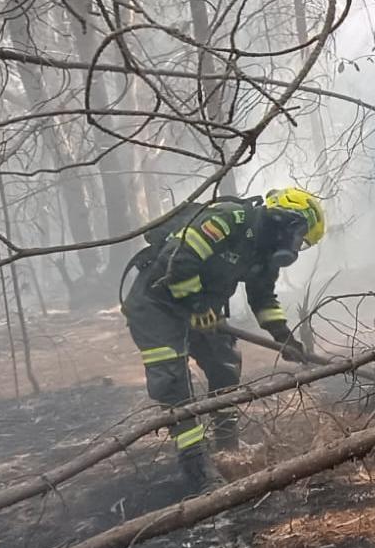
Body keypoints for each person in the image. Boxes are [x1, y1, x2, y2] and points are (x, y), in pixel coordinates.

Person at [122, 187, 326, 492]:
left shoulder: (265, 248)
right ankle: (197, 467)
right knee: (173, 382)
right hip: (156, 305)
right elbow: (178, 260)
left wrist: (283, 336)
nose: (297, 248)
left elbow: (262, 296)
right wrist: (198, 306)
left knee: (225, 366)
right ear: (287, 221)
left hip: (200, 309)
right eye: (300, 238)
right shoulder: (228, 219)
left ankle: (227, 446)